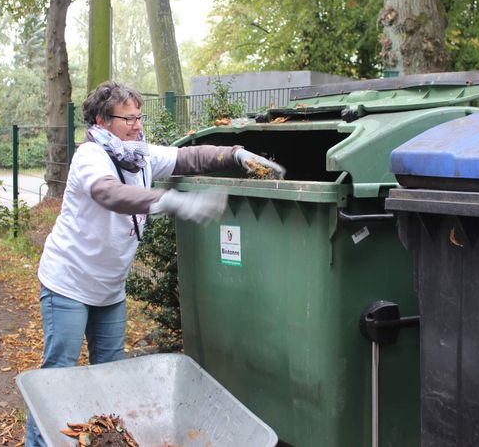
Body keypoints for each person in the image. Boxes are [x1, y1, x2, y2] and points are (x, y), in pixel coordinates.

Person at [24, 81, 284, 446]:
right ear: (102, 120)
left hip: (110, 290)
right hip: (68, 284)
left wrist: (237, 155)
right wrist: (170, 202)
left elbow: (189, 158)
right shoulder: (91, 156)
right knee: (58, 376)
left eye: (139, 117)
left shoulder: (138, 154)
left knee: (111, 376)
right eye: (128, 118)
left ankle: (102, 442)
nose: (137, 125)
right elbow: (109, 193)